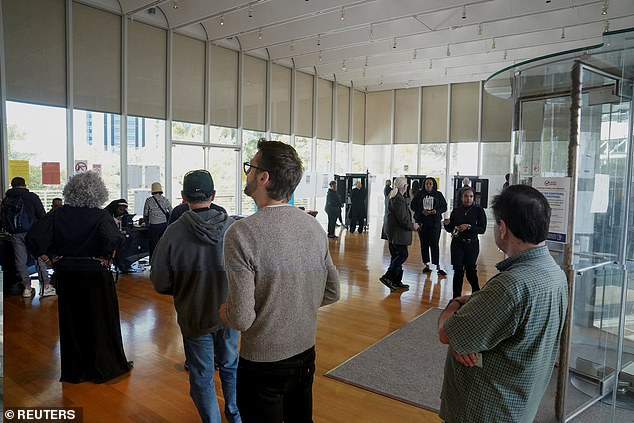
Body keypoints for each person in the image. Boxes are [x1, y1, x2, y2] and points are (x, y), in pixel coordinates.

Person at [220, 140, 339, 423]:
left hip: (263, 363)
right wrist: (295, 303)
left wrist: (224, 312)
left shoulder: (241, 234)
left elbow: (241, 318)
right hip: (305, 353)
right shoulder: (313, 227)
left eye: (250, 167)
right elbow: (332, 292)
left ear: (263, 177)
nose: (247, 173)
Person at [437, 184, 568, 422]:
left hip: (485, 410)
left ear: (503, 228)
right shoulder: (555, 274)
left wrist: (455, 304)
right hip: (520, 403)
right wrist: (479, 307)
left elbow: (447, 333)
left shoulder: (510, 286)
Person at [151, 170, 240, 423]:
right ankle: (235, 415)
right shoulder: (234, 227)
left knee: (201, 374)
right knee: (231, 366)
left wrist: (183, 289)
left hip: (194, 315)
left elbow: (160, 280)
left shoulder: (173, 232)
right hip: (231, 313)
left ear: (183, 197)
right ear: (213, 195)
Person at [25, 171, 132, 383]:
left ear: (71, 191)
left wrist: (49, 260)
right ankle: (104, 367)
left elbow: (34, 238)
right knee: (101, 321)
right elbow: (114, 240)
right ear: (98, 192)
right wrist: (108, 257)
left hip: (67, 274)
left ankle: (76, 371)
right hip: (95, 274)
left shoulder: (58, 214)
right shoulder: (100, 215)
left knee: (72, 322)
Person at [1, 176, 55, 298]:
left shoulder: (6, 199)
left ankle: (27, 287)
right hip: (32, 232)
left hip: (14, 234)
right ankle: (46, 286)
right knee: (38, 257)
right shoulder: (32, 197)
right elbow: (42, 215)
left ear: (12, 185)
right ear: (24, 185)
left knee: (20, 260)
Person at [443, 187, 487, 298]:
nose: (468, 199)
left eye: (471, 196)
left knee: (470, 271)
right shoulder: (456, 211)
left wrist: (469, 227)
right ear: (461, 198)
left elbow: (482, 230)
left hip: (472, 244)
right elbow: (451, 229)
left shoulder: (479, 210)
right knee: (458, 272)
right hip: (457, 244)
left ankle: (476, 294)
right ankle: (455, 298)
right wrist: (447, 224)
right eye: (466, 196)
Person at [379, 176, 420, 291]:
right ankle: (388, 277)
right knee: (402, 255)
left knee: (395, 255)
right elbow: (403, 219)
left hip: (391, 231)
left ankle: (396, 281)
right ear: (405, 187)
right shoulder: (398, 199)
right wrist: (413, 226)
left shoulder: (390, 196)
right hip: (398, 233)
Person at [411, 177, 448, 276]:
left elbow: (444, 206)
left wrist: (436, 211)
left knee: (434, 243)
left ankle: (437, 265)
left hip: (435, 222)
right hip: (422, 222)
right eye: (427, 183)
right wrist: (421, 211)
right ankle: (426, 264)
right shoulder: (419, 194)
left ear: (434, 185)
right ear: (424, 184)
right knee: (424, 243)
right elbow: (412, 206)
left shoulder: (438, 194)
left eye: (430, 184)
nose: (428, 185)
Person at [143, 181, 172, 260]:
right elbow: (171, 211)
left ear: (152, 190)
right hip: (164, 225)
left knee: (153, 245)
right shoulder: (165, 200)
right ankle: (164, 261)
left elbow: (145, 213)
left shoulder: (149, 200)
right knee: (163, 244)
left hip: (153, 226)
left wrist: (146, 223)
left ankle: (153, 262)